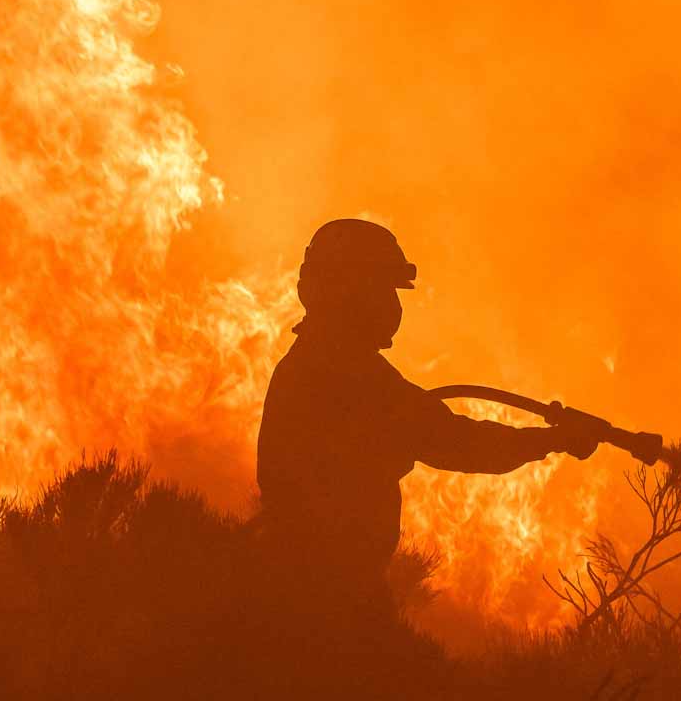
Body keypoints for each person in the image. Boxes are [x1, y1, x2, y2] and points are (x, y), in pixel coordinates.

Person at [256, 218, 600, 617]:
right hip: (328, 600)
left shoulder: (314, 364)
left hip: (307, 589)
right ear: (352, 290)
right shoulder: (347, 376)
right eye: (383, 289)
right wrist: (553, 440)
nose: (392, 305)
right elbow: (459, 444)